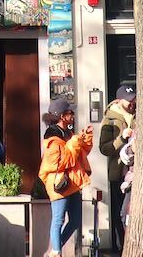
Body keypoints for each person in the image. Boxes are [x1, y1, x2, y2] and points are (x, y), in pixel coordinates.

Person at [38, 98, 93, 257]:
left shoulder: (67, 133)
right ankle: (56, 252)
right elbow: (60, 163)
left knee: (75, 220)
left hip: (73, 182)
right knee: (58, 220)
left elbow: (79, 155)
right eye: (70, 113)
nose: (73, 116)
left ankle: (55, 250)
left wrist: (85, 139)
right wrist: (75, 142)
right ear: (62, 116)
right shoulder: (52, 138)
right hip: (59, 184)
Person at [99, 84, 136, 251]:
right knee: (121, 212)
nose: (132, 103)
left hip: (136, 173)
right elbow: (104, 148)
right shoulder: (110, 119)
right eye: (129, 101)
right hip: (118, 173)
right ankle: (122, 247)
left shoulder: (139, 115)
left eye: (134, 99)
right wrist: (121, 138)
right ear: (120, 100)